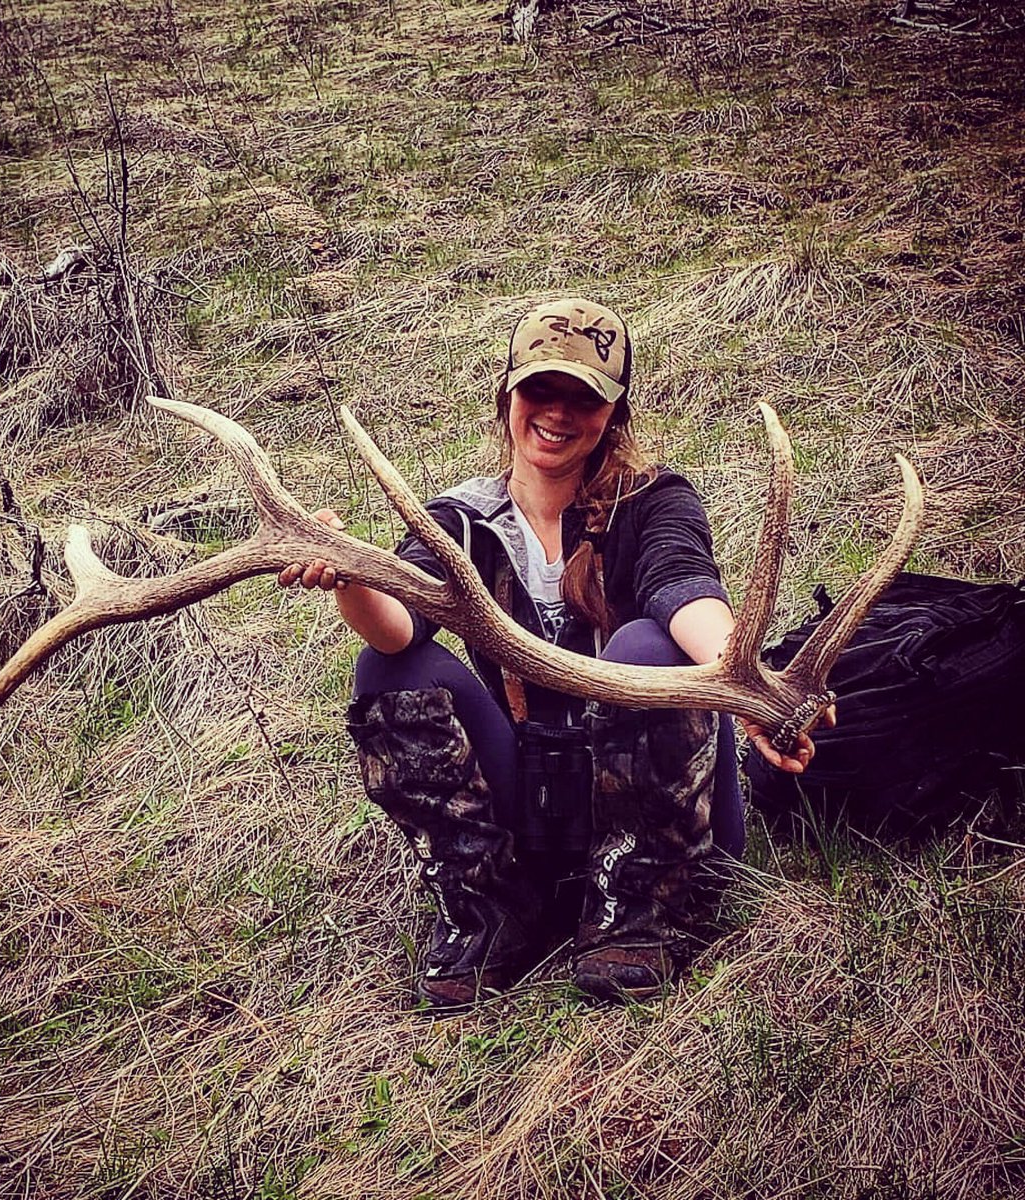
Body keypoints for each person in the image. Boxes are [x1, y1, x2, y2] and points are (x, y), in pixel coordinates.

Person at [278, 298, 824, 1011]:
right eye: (541, 389)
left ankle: (644, 908)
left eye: (584, 398)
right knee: (390, 671)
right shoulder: (460, 520)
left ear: (615, 414)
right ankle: (493, 908)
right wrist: (350, 578)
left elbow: (679, 582)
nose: (558, 414)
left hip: (666, 828)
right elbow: (397, 628)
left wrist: (742, 682)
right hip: (532, 814)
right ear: (507, 393)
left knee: (645, 646)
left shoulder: (655, 501)